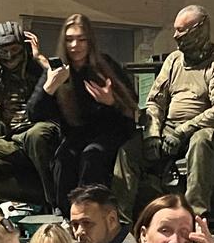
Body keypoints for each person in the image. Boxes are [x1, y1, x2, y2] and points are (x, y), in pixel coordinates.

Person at [26, 13, 139, 209]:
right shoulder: (57, 70)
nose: (75, 45)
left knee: (91, 155)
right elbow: (33, 113)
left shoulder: (105, 65)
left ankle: (91, 211)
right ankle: (67, 216)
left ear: (90, 42)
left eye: (81, 39)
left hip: (109, 132)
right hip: (76, 135)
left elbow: (131, 107)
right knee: (63, 159)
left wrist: (111, 101)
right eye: (69, 39)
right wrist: (50, 88)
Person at [142, 6, 214, 215]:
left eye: (182, 31)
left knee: (200, 143)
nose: (176, 36)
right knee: (130, 150)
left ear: (199, 30)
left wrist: (182, 131)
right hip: (170, 127)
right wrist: (152, 134)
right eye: (175, 30)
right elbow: (155, 102)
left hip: (203, 128)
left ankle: (196, 215)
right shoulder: (173, 60)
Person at [0, 21, 61, 210]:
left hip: (43, 132)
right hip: (13, 140)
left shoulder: (38, 69)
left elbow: (61, 80)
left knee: (36, 135)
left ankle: (55, 203)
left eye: (14, 49)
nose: (9, 55)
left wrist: (39, 57)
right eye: (3, 51)